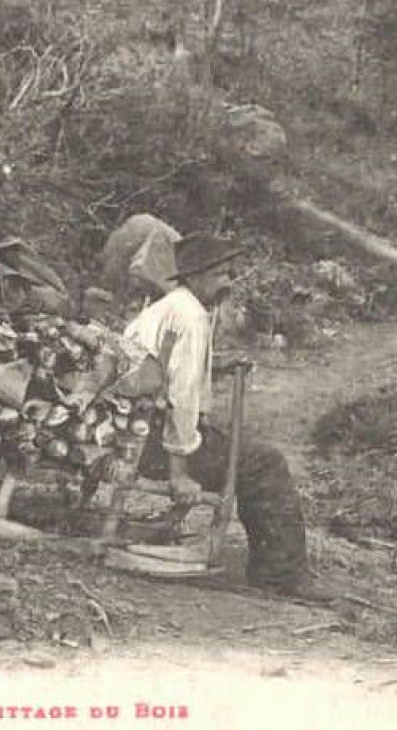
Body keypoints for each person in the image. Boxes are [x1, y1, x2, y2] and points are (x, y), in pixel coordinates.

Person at [122, 233, 336, 603]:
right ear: (199, 275)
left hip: (128, 429)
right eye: (222, 274)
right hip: (151, 442)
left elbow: (161, 373)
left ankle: (277, 568)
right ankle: (281, 574)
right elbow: (182, 397)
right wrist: (179, 472)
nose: (228, 282)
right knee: (265, 464)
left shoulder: (165, 308)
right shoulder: (190, 318)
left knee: (246, 452)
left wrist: (218, 364)